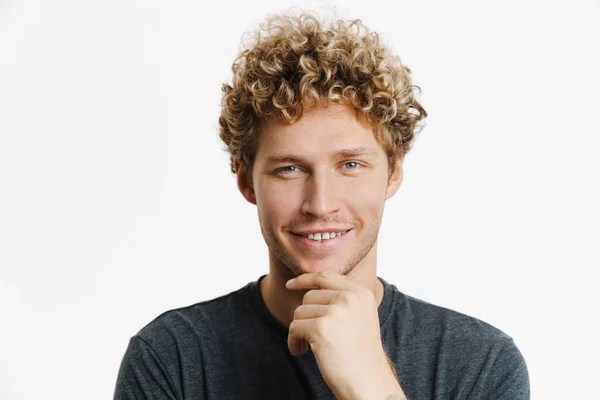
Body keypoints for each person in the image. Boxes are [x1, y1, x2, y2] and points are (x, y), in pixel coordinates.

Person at [114, 11, 529, 400]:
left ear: (394, 172)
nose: (321, 203)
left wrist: (373, 386)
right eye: (290, 169)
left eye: (351, 164)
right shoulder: (172, 358)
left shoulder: (480, 364)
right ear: (245, 179)